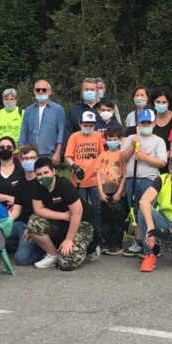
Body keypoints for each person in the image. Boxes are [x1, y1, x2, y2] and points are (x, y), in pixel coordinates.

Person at [24, 156, 92, 270]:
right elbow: (38, 209)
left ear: (53, 171)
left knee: (66, 263)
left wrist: (69, 239)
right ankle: (53, 254)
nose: (43, 177)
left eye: (46, 172)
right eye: (39, 174)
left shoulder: (65, 185)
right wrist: (64, 216)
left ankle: (91, 248)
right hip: (61, 221)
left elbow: (77, 212)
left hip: (81, 223)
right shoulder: (37, 186)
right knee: (33, 223)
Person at [119, 108, 167, 254]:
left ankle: (153, 243)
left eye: (148, 122)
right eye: (143, 122)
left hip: (149, 180)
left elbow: (162, 162)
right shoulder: (130, 138)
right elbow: (122, 158)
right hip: (131, 179)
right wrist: (133, 146)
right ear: (138, 123)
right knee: (134, 211)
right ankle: (139, 242)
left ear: (153, 124)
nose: (145, 125)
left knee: (147, 212)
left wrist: (145, 158)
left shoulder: (158, 141)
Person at [64, 109, 104, 259]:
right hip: (79, 180)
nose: (88, 127)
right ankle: (81, 237)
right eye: (85, 124)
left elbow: (101, 155)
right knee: (81, 210)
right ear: (80, 124)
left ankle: (98, 238)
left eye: (91, 125)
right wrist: (74, 166)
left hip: (94, 179)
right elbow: (68, 156)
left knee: (97, 209)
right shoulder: (74, 137)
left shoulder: (98, 136)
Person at [18, 79, 67, 164]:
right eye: (38, 90)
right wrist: (22, 150)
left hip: (49, 154)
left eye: (44, 90)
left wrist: (58, 153)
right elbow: (24, 131)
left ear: (50, 92)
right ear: (34, 91)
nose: (41, 92)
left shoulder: (58, 109)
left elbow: (61, 133)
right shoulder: (28, 110)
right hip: (30, 154)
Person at [10, 145, 44, 264]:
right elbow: (16, 210)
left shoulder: (43, 182)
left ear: (37, 159)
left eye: (32, 158)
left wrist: (32, 227)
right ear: (20, 160)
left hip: (36, 225)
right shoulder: (20, 184)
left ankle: (43, 250)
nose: (29, 161)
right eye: (25, 158)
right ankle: (23, 243)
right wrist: (5, 222)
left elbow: (46, 210)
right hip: (21, 224)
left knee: (21, 259)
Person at [97, 123, 128, 254]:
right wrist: (100, 192)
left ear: (120, 140)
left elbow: (126, 175)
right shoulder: (102, 156)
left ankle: (117, 244)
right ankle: (108, 242)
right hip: (105, 191)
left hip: (118, 191)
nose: (112, 142)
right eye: (110, 139)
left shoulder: (123, 156)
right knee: (106, 218)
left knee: (118, 219)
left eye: (115, 139)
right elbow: (98, 175)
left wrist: (120, 192)